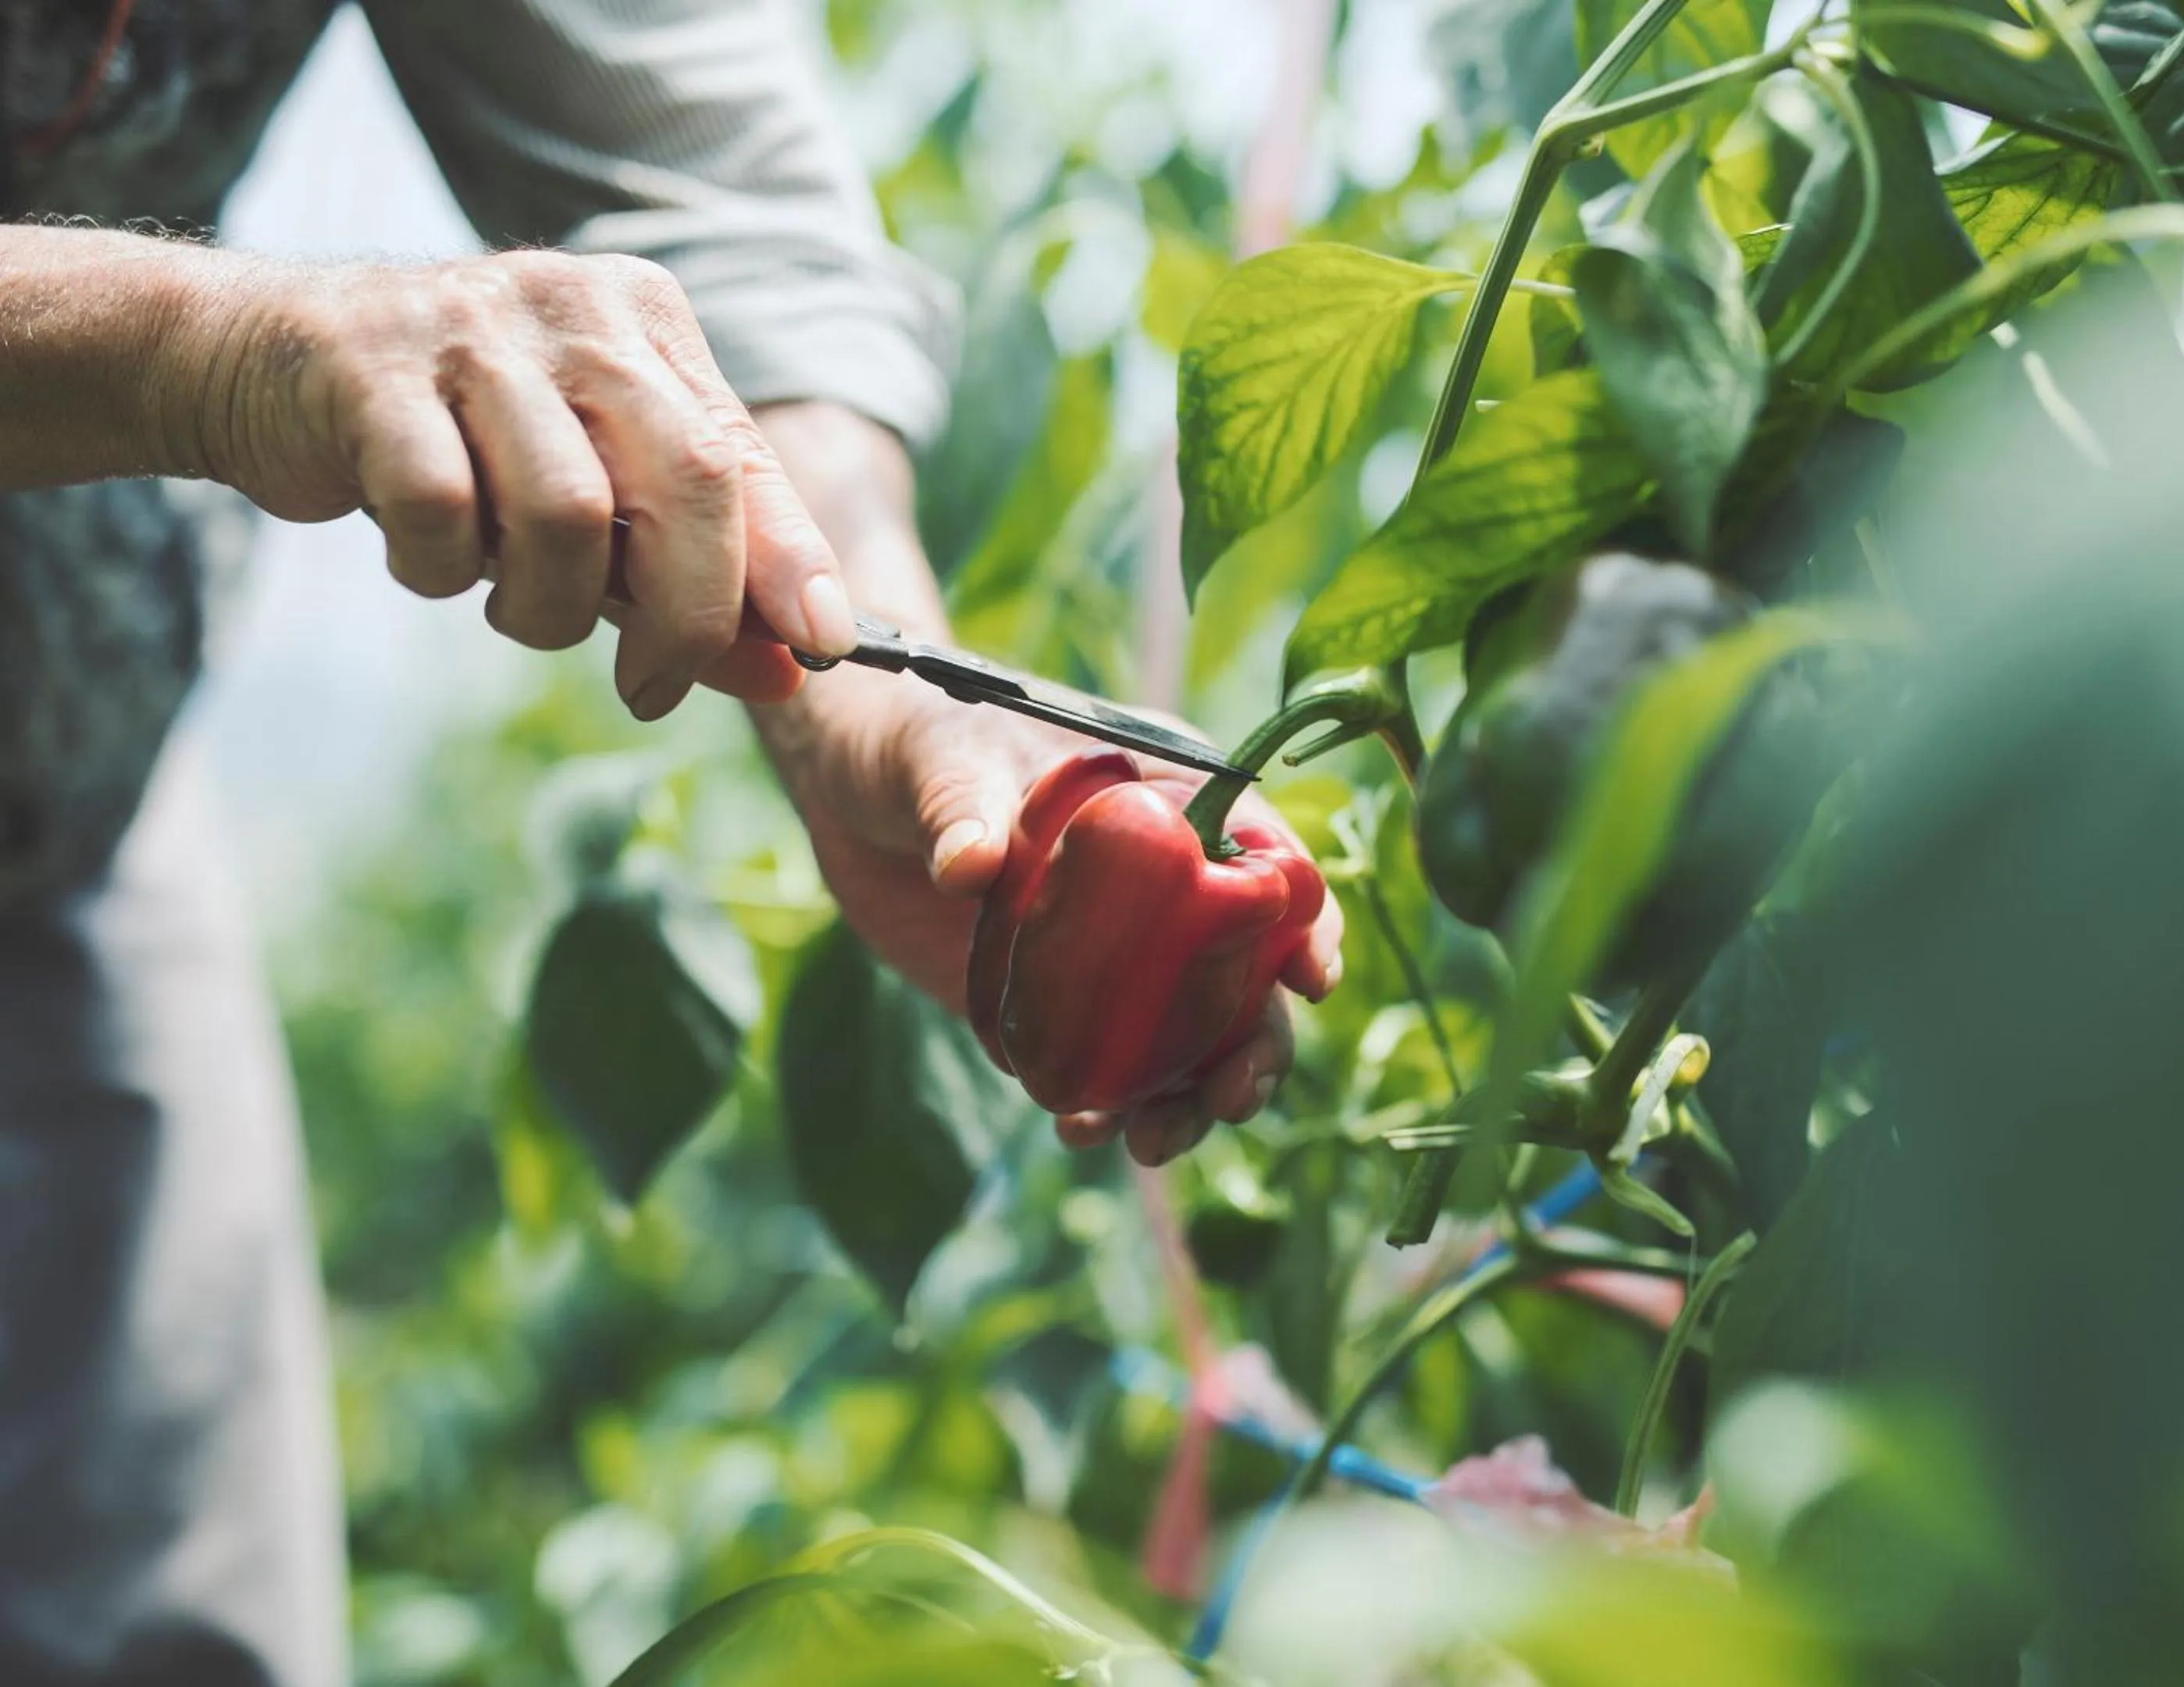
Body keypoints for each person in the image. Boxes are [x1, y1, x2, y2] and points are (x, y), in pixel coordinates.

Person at [0, 2, 1341, 1682]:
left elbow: (693, 170)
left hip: (58, 803)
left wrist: (863, 675)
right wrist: (198, 348)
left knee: (172, 1614)